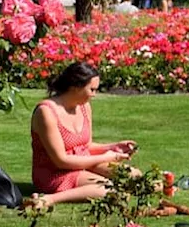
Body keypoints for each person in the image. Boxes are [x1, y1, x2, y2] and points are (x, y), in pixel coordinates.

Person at [30, 62, 139, 207]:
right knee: (109, 190)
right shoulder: (46, 112)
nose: (94, 95)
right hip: (55, 173)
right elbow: (61, 161)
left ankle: (88, 184)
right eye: (92, 89)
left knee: (136, 177)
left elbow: (85, 146)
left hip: (82, 163)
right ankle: (49, 199)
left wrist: (113, 147)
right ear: (75, 87)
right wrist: (107, 157)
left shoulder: (84, 107)